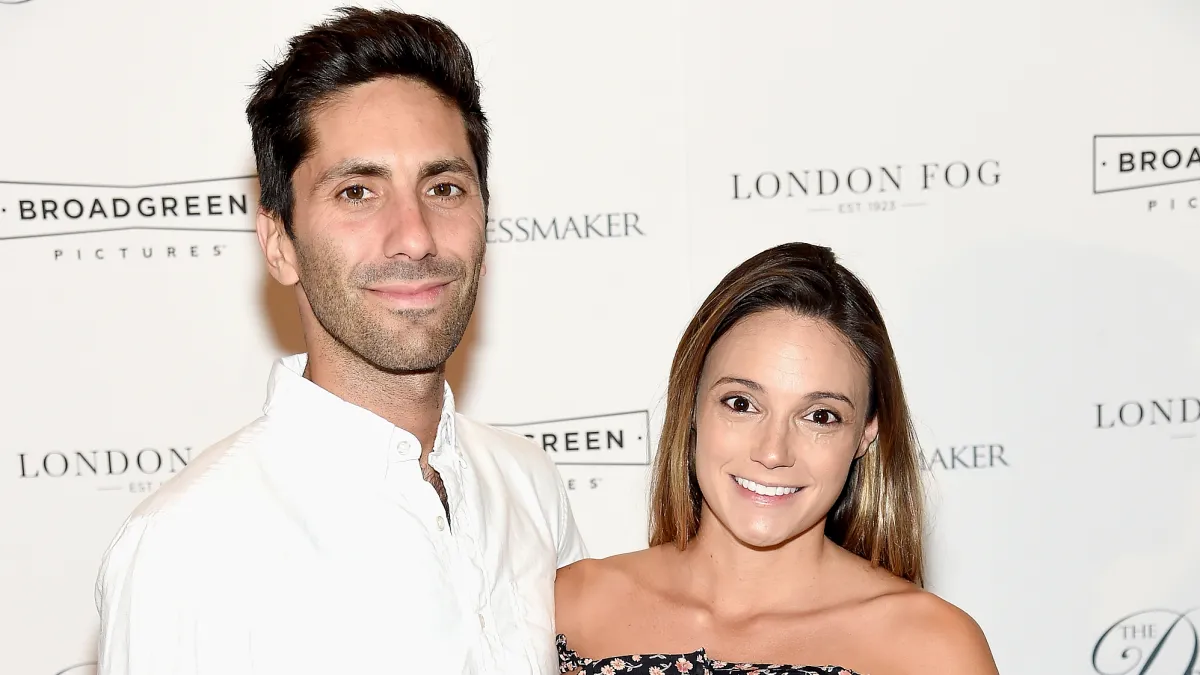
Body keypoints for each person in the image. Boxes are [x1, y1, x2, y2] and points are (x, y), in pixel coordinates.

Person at [94, 8, 586, 675]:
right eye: (357, 191)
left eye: (444, 187)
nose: (414, 235)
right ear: (279, 243)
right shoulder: (187, 545)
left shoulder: (528, 484)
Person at [554, 243, 999, 675]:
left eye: (820, 416)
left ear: (866, 433)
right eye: (742, 404)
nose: (772, 452)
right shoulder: (571, 607)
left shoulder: (934, 648)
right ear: (690, 406)